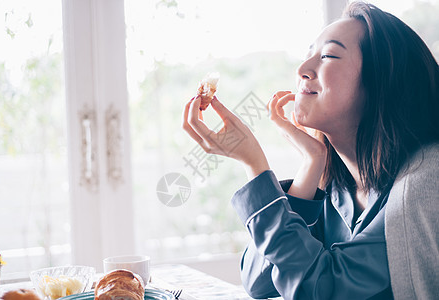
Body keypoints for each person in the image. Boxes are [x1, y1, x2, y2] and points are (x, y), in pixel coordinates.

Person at [182, 1, 439, 299]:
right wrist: (309, 166)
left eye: (328, 55)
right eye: (307, 55)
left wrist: (255, 166)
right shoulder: (335, 188)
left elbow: (318, 289)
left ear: (381, 83)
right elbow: (259, 281)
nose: (302, 69)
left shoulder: (425, 184)